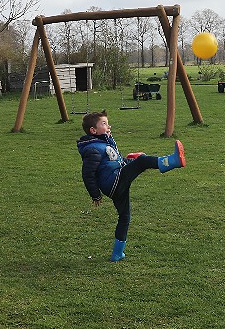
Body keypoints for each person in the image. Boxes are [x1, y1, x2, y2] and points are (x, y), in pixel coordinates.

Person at [77, 110, 186, 262]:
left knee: (124, 216)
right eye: (104, 124)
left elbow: (118, 162)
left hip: (115, 182)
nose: (109, 126)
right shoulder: (92, 148)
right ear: (93, 130)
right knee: (142, 161)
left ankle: (117, 253)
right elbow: (88, 174)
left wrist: (132, 161)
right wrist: (95, 195)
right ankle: (172, 162)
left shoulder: (104, 143)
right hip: (113, 182)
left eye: (108, 123)